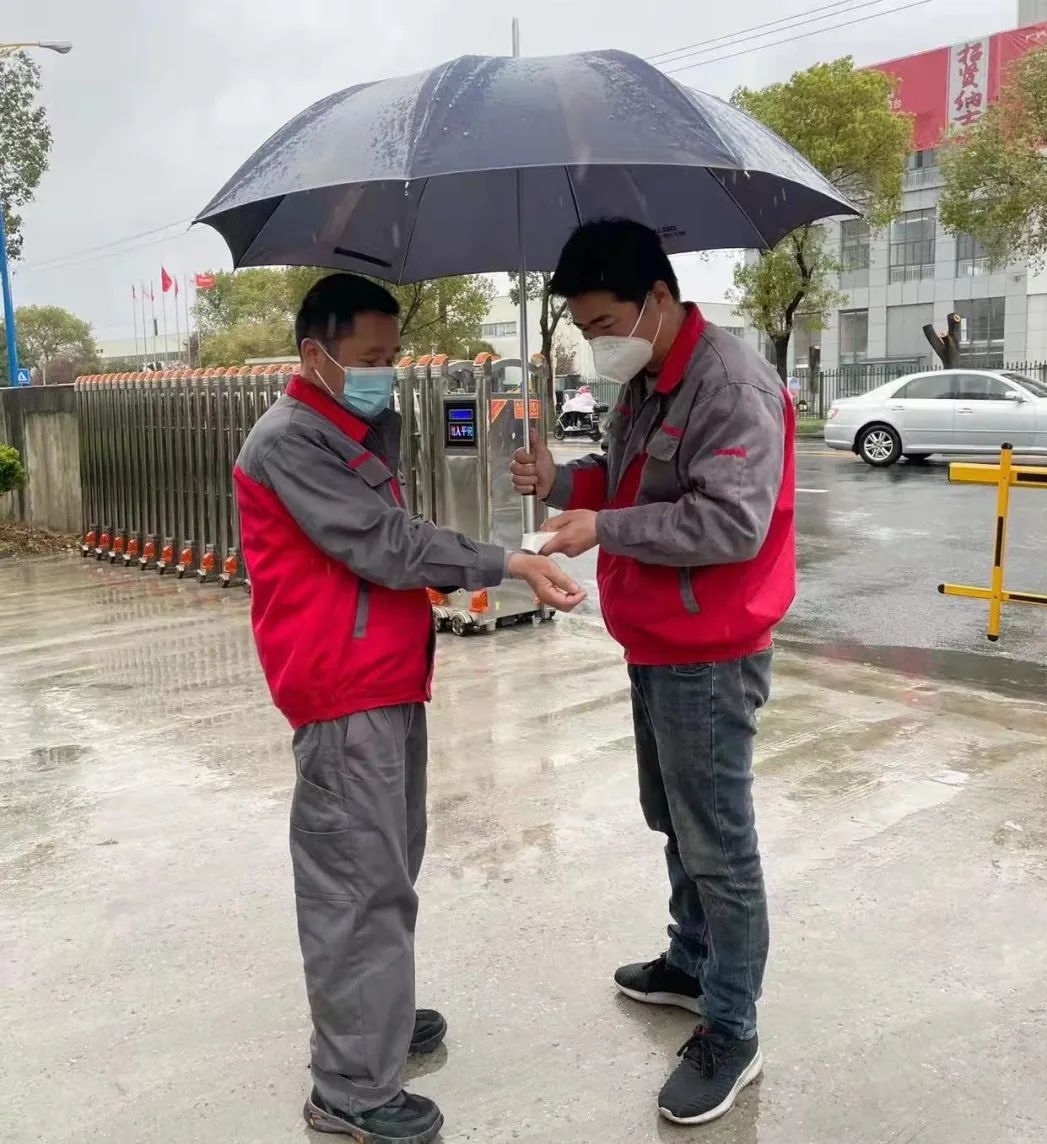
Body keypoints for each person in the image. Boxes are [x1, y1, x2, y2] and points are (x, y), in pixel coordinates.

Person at [234, 273, 585, 1144]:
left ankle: (373, 1017)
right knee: (357, 883)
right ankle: (350, 1089)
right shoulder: (290, 441)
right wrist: (506, 561)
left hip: (383, 678)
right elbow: (385, 545)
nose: (383, 373)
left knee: (386, 866)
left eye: (392, 356)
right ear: (314, 354)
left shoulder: (344, 428)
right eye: (370, 357)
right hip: (341, 684)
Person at [510, 219, 794, 1127]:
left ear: (658, 299)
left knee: (718, 842)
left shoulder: (731, 386)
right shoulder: (648, 379)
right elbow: (629, 476)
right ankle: (691, 961)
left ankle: (732, 1027)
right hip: (655, 640)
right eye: (584, 328)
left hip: (711, 650)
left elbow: (730, 523)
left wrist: (606, 528)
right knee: (672, 816)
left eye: (602, 323)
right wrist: (562, 482)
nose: (596, 343)